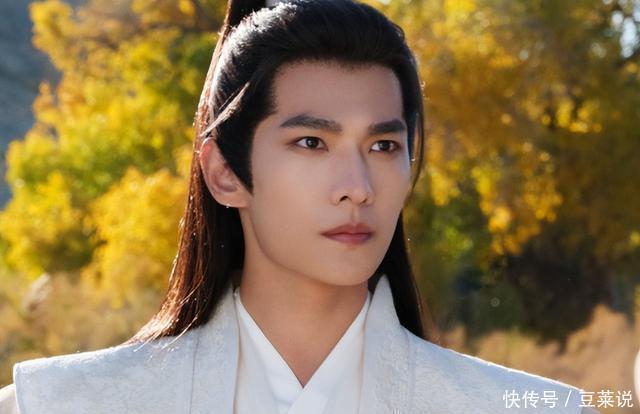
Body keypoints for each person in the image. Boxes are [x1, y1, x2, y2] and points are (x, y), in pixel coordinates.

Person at [0, 0, 601, 413]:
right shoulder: (60, 404)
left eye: (384, 146)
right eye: (311, 142)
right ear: (225, 172)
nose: (357, 187)